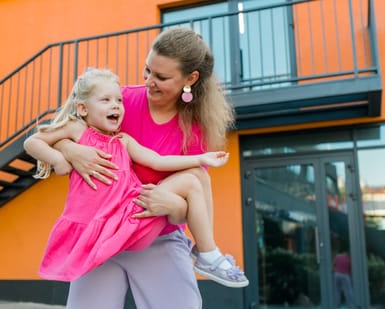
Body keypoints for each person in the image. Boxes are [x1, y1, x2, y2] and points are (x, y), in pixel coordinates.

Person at [50, 27, 239, 309]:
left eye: (162, 77)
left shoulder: (194, 129)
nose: (149, 80)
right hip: (100, 236)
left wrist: (168, 204)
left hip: (158, 238)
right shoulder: (120, 101)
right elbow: (63, 131)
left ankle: (207, 253)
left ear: (189, 79)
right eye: (147, 70)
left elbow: (184, 210)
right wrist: (71, 151)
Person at [24, 68, 247, 288]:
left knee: (196, 176)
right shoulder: (76, 130)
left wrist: (202, 158)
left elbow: (158, 161)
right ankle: (207, 253)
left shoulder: (123, 141)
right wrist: (58, 159)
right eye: (105, 100)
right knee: (194, 180)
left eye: (119, 100)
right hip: (108, 227)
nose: (115, 105)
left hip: (133, 216)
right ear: (82, 108)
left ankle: (207, 250)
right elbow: (32, 142)